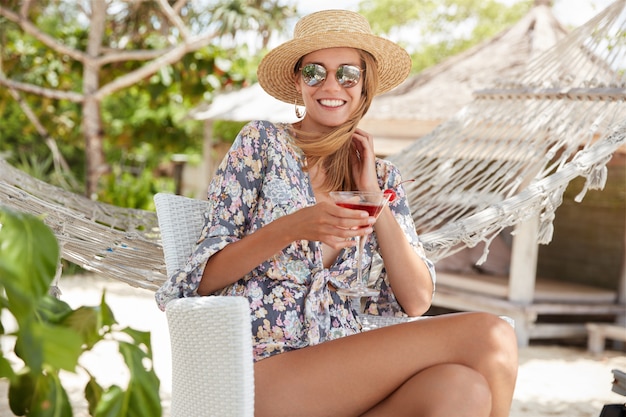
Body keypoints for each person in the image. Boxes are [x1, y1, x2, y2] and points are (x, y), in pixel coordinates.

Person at [156, 9, 518, 417]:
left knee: (463, 389)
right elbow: (196, 282)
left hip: (346, 374)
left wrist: (372, 194)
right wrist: (293, 226)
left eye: (347, 74)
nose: (332, 85)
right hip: (264, 373)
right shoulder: (261, 144)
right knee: (492, 333)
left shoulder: (382, 175)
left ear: (364, 85)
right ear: (297, 81)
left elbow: (416, 300)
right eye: (315, 72)